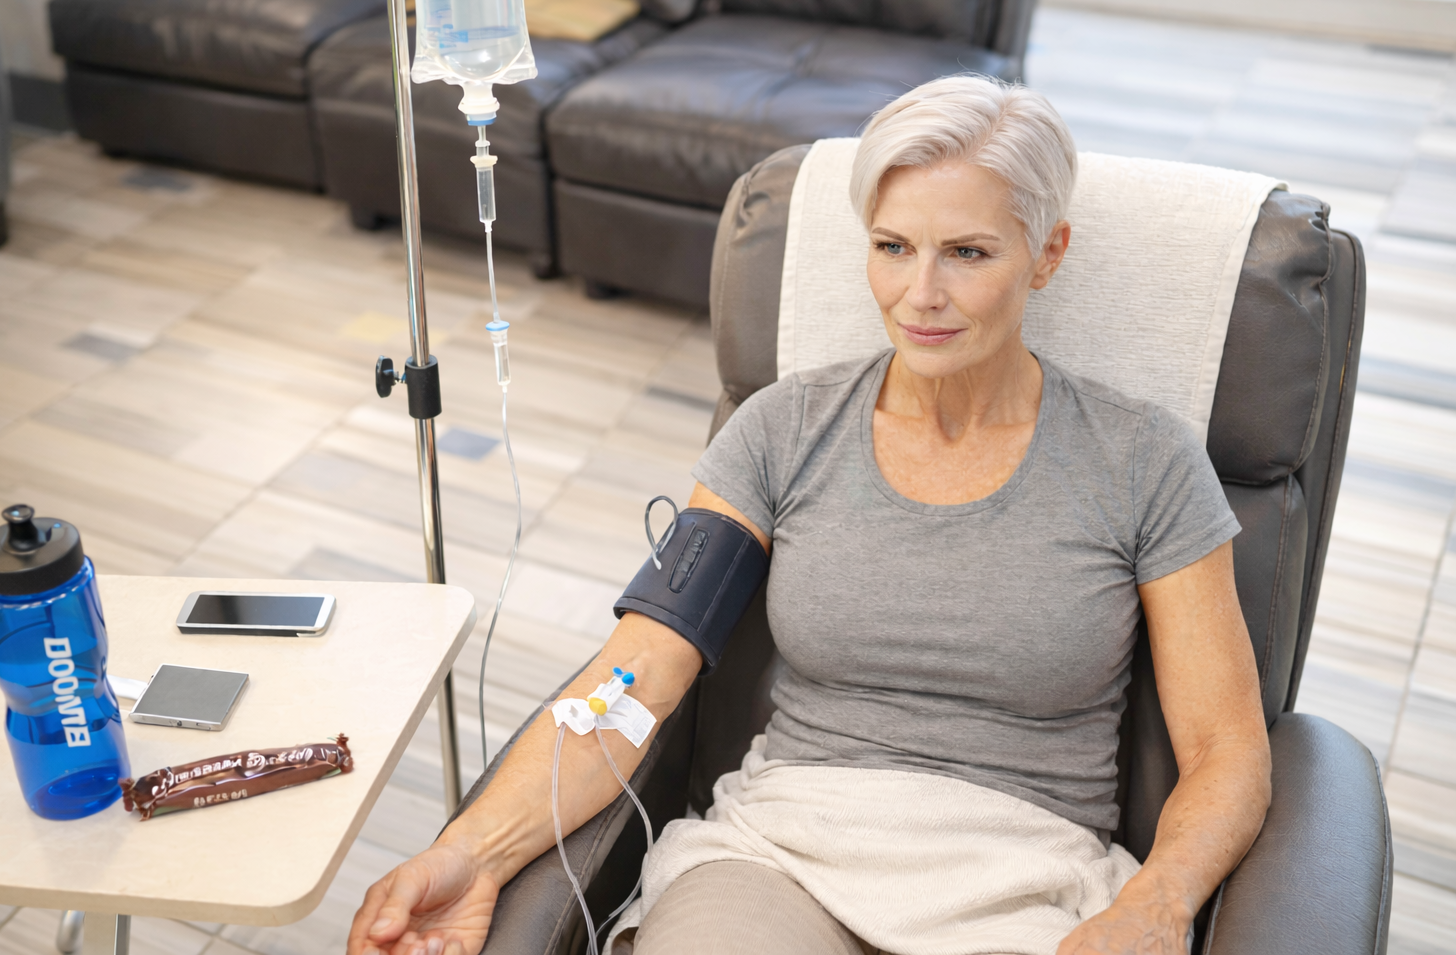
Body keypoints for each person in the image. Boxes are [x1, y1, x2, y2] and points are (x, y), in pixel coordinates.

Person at [346, 75, 1271, 955]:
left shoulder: (1143, 461)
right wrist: (471, 853)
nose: (921, 296)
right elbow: (632, 685)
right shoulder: (781, 430)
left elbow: (1227, 751)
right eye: (893, 246)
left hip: (1025, 879)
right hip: (781, 855)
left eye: (969, 253)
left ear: (1048, 254)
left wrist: (1157, 902)